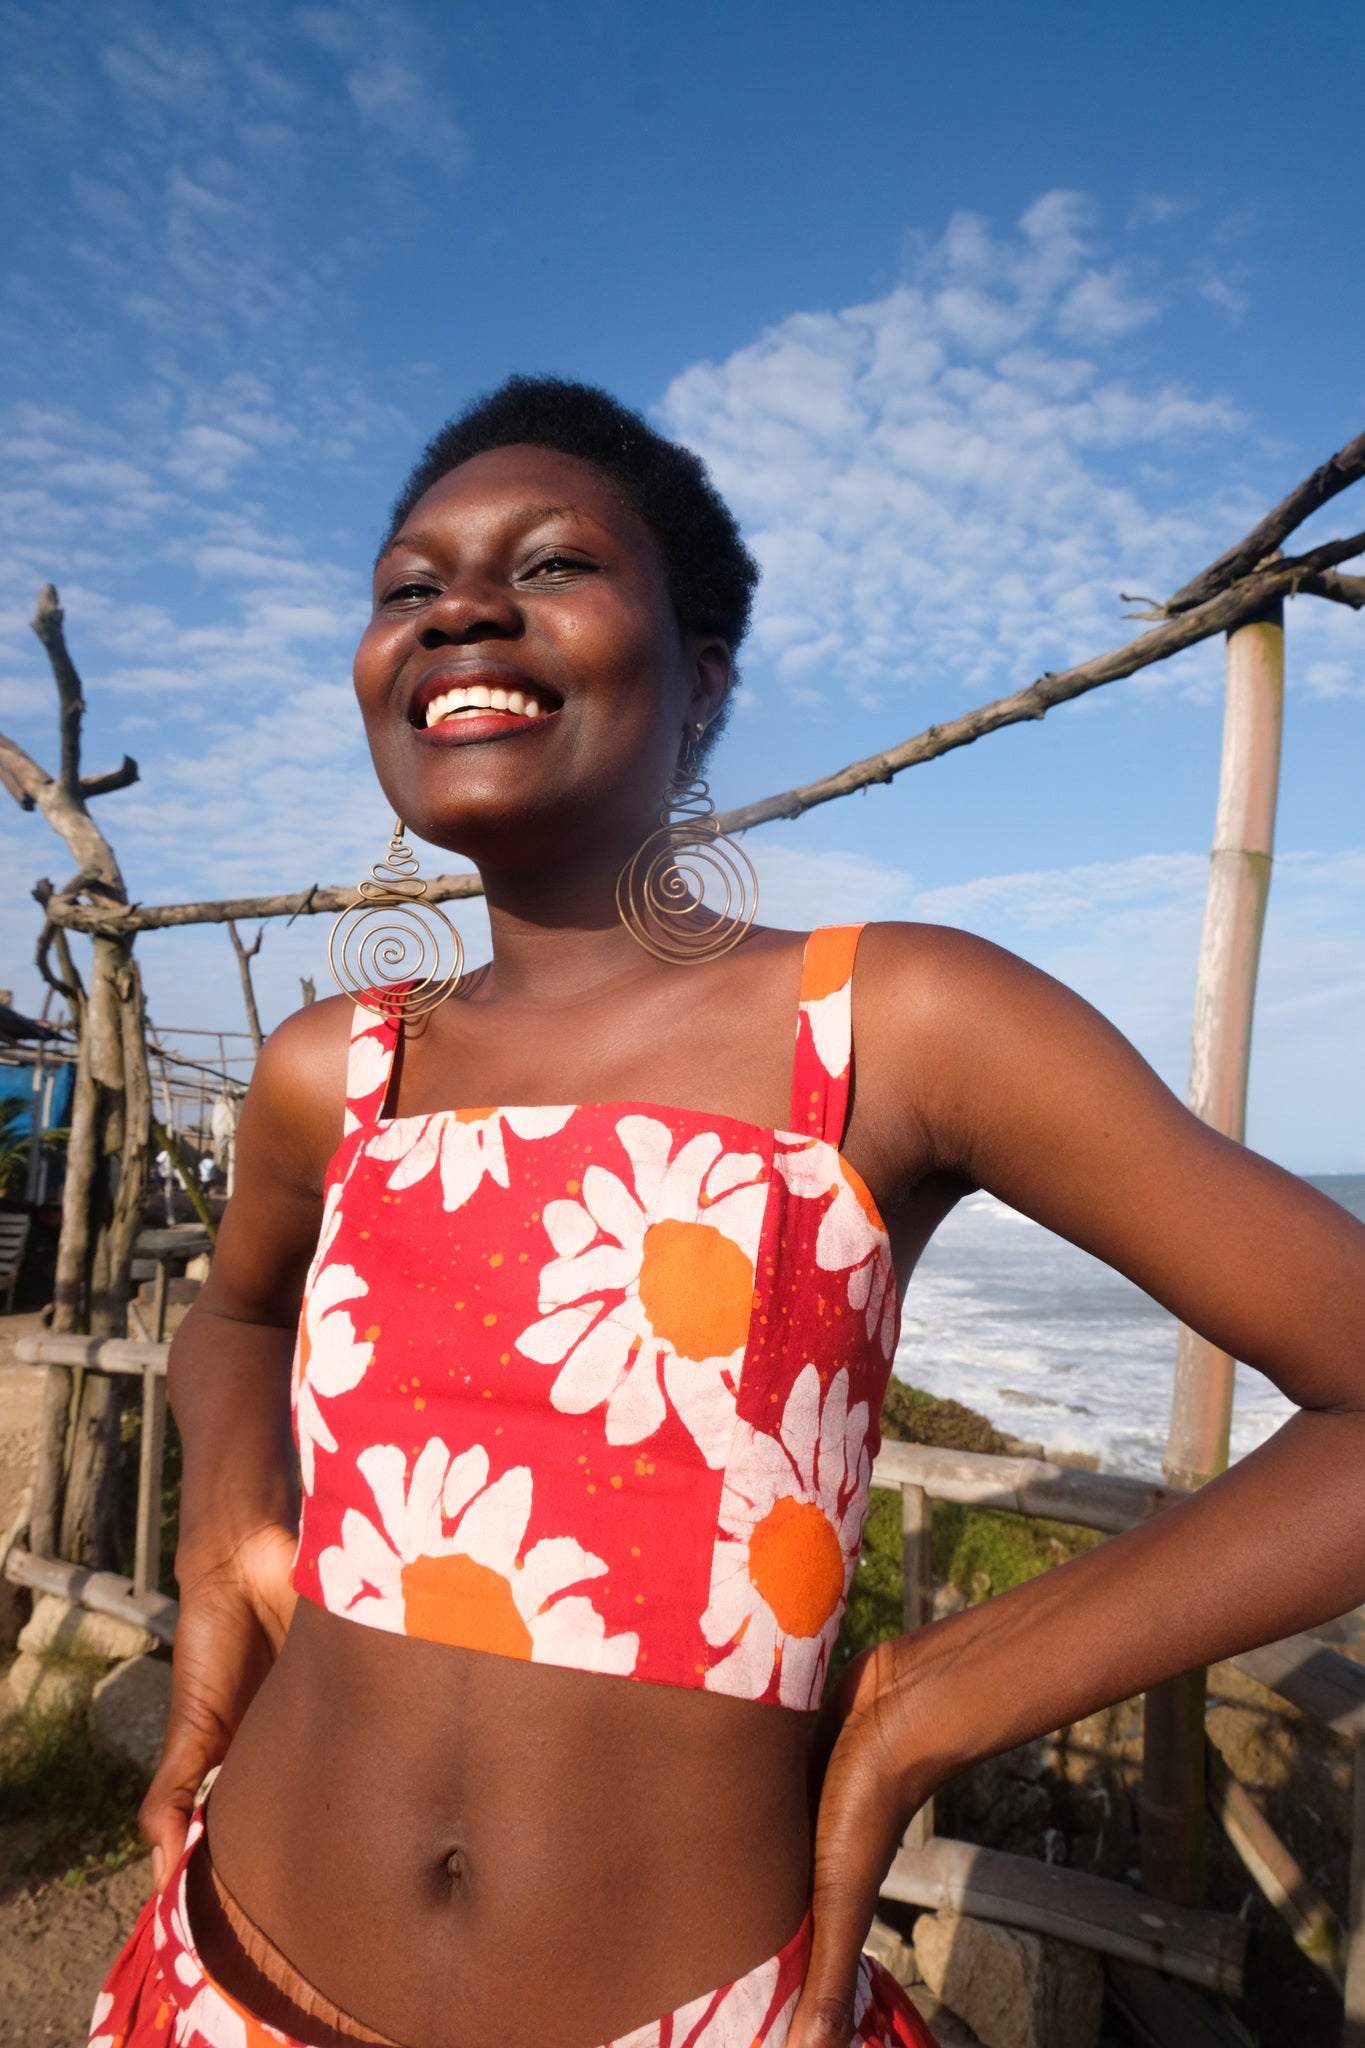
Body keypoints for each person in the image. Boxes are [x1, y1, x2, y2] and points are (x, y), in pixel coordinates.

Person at [92, 379, 1365, 2048]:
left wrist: (936, 1693)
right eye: (410, 586)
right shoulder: (332, 1071)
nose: (461, 606)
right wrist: (224, 1541)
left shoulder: (893, 1028)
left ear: (700, 684)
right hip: (223, 1977)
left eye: (548, 565)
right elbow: (236, 1318)